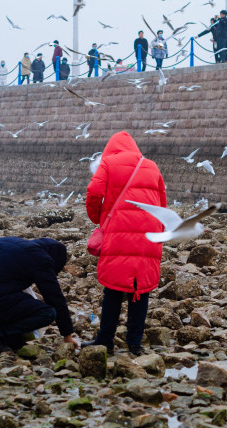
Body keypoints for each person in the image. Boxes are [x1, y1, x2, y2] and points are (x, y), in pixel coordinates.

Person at [84, 132, 167, 355]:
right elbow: (161, 202)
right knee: (140, 289)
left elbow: (94, 192)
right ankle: (135, 343)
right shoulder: (150, 165)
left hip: (118, 231)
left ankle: (105, 341)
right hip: (148, 234)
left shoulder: (108, 163)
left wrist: (98, 218)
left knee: (113, 288)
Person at [0, 237, 79, 353]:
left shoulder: (7, 241)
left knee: (20, 301)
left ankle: (11, 338)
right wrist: (67, 335)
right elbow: (55, 299)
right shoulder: (42, 260)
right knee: (47, 313)